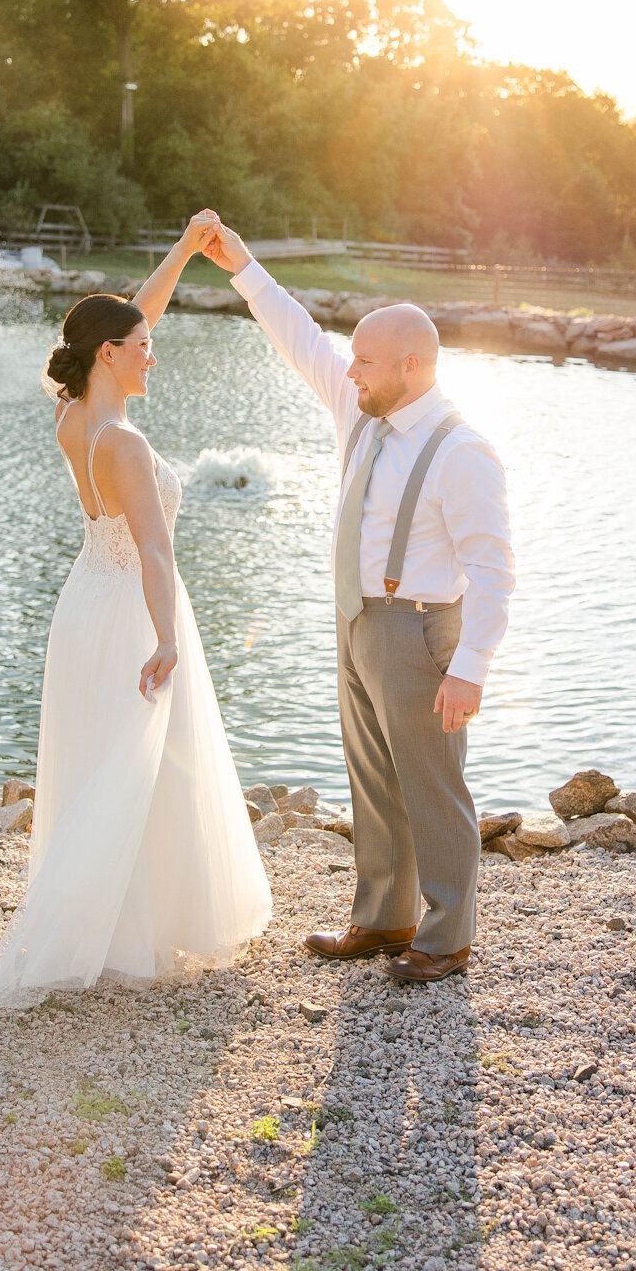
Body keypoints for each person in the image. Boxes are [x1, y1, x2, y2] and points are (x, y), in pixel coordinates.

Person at [203, 219, 514, 983]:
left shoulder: (463, 450)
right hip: (356, 622)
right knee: (373, 781)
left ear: (413, 366)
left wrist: (470, 666)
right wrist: (241, 264)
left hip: (419, 632)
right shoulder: (362, 414)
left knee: (434, 791)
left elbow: (495, 570)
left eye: (366, 362)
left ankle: (446, 941)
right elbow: (300, 338)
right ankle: (383, 920)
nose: (350, 373)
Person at [0, 214, 271, 1006]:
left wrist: (183, 249)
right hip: (132, 608)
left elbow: (133, 315)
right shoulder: (127, 446)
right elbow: (154, 550)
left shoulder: (74, 416)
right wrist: (169, 636)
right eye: (142, 346)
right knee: (135, 763)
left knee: (106, 760)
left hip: (84, 604)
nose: (155, 350)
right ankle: (113, 932)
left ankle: (112, 927)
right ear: (109, 355)